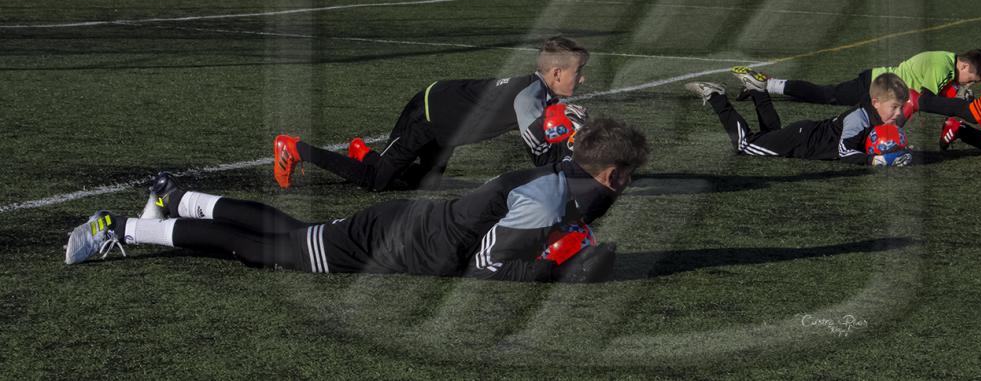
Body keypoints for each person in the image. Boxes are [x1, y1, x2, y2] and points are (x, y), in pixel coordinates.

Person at [64, 118, 650, 283]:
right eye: (631, 175)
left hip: (408, 227)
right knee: (261, 251)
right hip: (399, 241)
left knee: (291, 232)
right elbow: (488, 265)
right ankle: (122, 228)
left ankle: (177, 196)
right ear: (612, 174)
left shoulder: (561, 177)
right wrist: (555, 269)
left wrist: (567, 244)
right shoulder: (552, 201)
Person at [274, 36, 590, 191]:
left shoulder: (541, 93)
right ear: (557, 73)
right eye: (578, 72)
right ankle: (295, 148)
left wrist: (568, 135)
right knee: (376, 182)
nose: (582, 79)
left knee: (426, 182)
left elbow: (548, 141)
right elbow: (539, 156)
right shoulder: (530, 97)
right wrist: (571, 159)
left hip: (445, 125)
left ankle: (364, 154)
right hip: (427, 115)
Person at [684, 71, 912, 166]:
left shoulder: (876, 117)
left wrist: (897, 150)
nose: (898, 114)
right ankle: (715, 96)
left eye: (900, 108)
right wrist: (875, 161)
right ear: (876, 102)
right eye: (894, 107)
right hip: (802, 141)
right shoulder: (859, 118)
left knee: (769, 135)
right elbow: (844, 152)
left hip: (804, 134)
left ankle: (758, 89)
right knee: (745, 145)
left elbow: (874, 143)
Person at [731, 49, 981, 106]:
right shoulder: (942, 66)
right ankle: (766, 84)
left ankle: (762, 87)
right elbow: (927, 101)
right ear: (964, 65)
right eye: (971, 78)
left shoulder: (947, 64)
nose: (968, 83)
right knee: (827, 95)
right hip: (875, 85)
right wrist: (960, 107)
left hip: (882, 89)